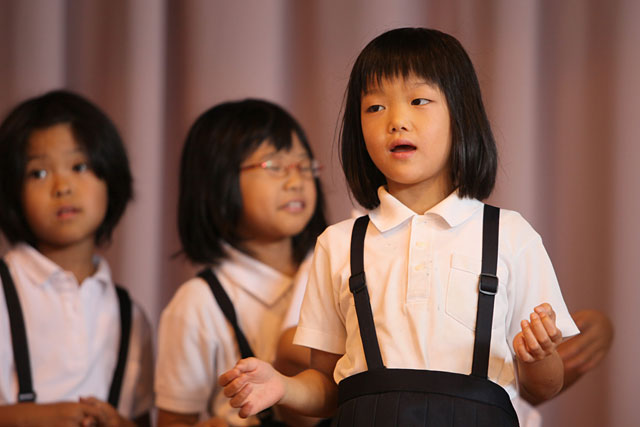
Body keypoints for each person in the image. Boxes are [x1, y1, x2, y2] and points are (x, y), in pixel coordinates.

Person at [218, 27, 580, 426]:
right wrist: (283, 387)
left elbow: (543, 387)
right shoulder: (338, 244)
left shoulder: (510, 235)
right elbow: (329, 387)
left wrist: (539, 355)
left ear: (461, 116)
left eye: (419, 101)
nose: (396, 121)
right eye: (375, 107)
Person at [155, 99, 328, 426]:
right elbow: (173, 420)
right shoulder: (198, 303)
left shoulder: (334, 267)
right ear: (219, 182)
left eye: (304, 165)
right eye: (274, 166)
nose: (296, 181)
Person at [0, 90, 153, 426]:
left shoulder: (131, 315)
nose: (62, 187)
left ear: (110, 178)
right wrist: (35, 417)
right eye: (38, 173)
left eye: (79, 166)